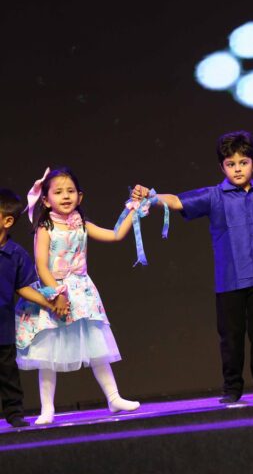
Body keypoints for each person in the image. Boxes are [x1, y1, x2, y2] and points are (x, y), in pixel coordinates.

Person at [132, 131, 253, 403]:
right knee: (231, 338)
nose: (237, 169)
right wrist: (151, 197)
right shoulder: (215, 196)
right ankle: (232, 389)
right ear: (222, 167)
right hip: (230, 280)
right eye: (231, 164)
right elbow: (177, 201)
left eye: (243, 162)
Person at [16, 168, 140, 425]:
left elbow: (115, 234)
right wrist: (56, 295)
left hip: (82, 292)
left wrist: (134, 209)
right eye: (58, 192)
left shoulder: (81, 224)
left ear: (80, 197)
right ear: (46, 200)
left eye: (70, 191)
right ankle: (47, 408)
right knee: (48, 352)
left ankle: (114, 397)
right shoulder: (45, 226)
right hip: (54, 292)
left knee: (96, 344)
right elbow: (41, 265)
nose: (65, 196)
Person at [0, 189, 68, 428]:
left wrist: (50, 302)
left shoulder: (15, 254)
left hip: (2, 326)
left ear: (7, 221)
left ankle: (14, 413)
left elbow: (24, 287)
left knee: (7, 372)